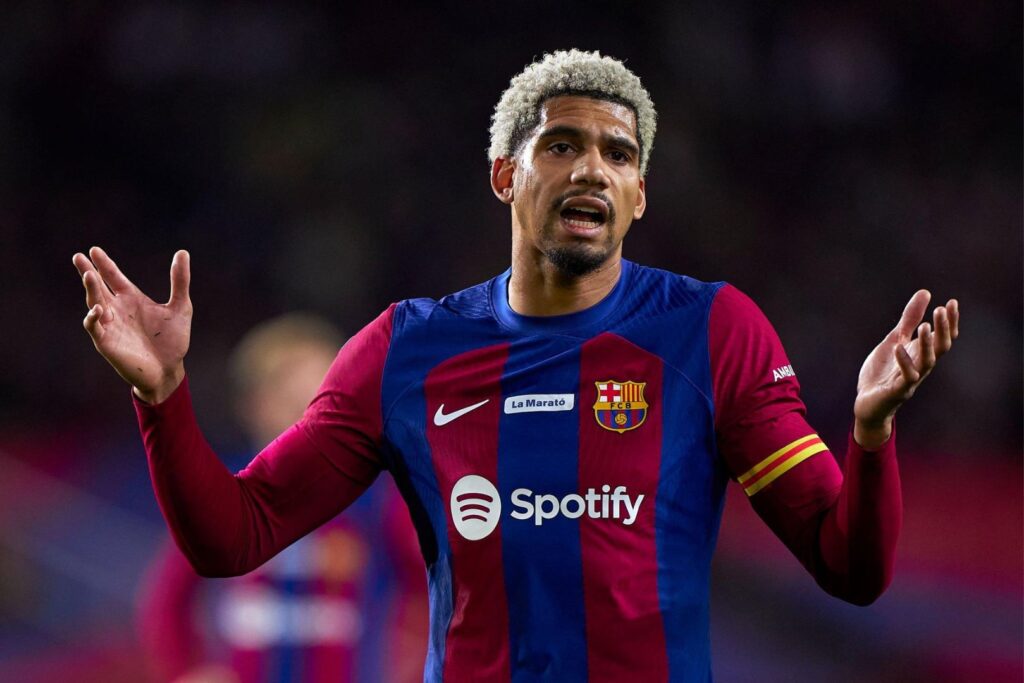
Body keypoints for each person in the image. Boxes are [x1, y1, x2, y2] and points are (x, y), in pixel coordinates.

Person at [74, 49, 959, 682]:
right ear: (506, 174)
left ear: (640, 194)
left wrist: (871, 434)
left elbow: (853, 568)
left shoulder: (714, 331)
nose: (594, 170)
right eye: (563, 145)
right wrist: (164, 395)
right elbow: (234, 535)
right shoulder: (406, 348)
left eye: (619, 155)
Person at [135, 314, 427, 683]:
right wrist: (188, 670)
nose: (310, 415)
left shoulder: (378, 497)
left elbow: (439, 590)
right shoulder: (224, 491)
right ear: (255, 405)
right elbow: (167, 600)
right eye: (293, 399)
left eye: (325, 398)